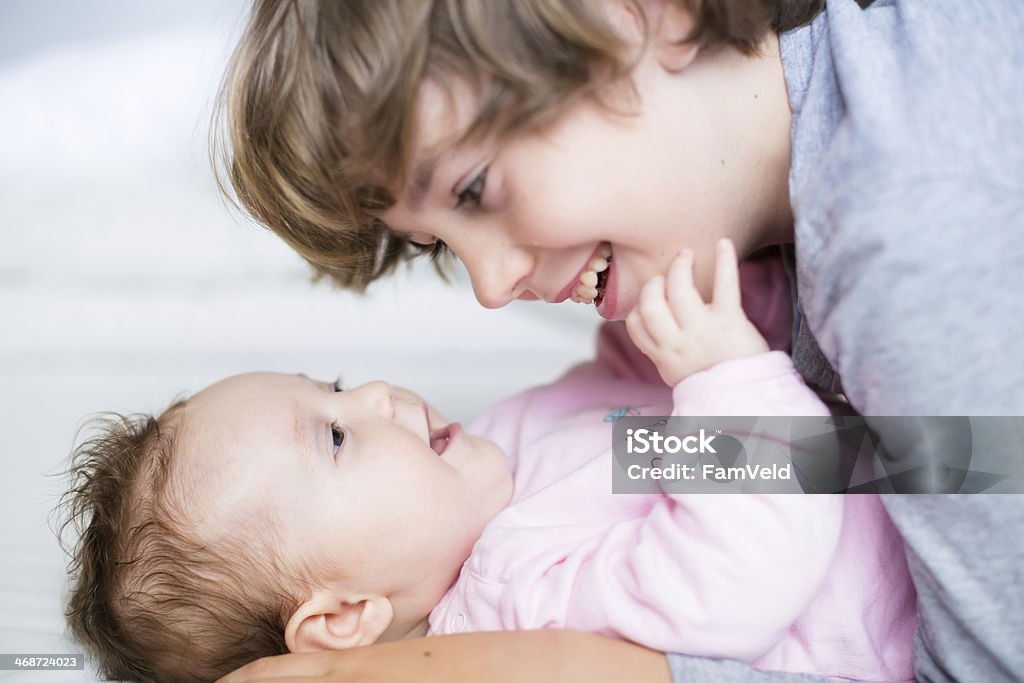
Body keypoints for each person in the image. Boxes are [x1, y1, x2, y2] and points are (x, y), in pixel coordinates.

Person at [213, 0, 1024, 680]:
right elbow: (843, 456)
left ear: (633, 14)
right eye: (439, 244)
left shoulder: (910, 254)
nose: (491, 288)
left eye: (473, 187)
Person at [60, 246, 915, 683]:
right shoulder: (512, 608)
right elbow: (740, 571)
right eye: (336, 436)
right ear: (345, 618)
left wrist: (668, 310)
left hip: (915, 450)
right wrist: (722, 376)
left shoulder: (493, 450)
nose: (380, 395)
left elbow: (620, 400)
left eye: (339, 386)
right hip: (925, 581)